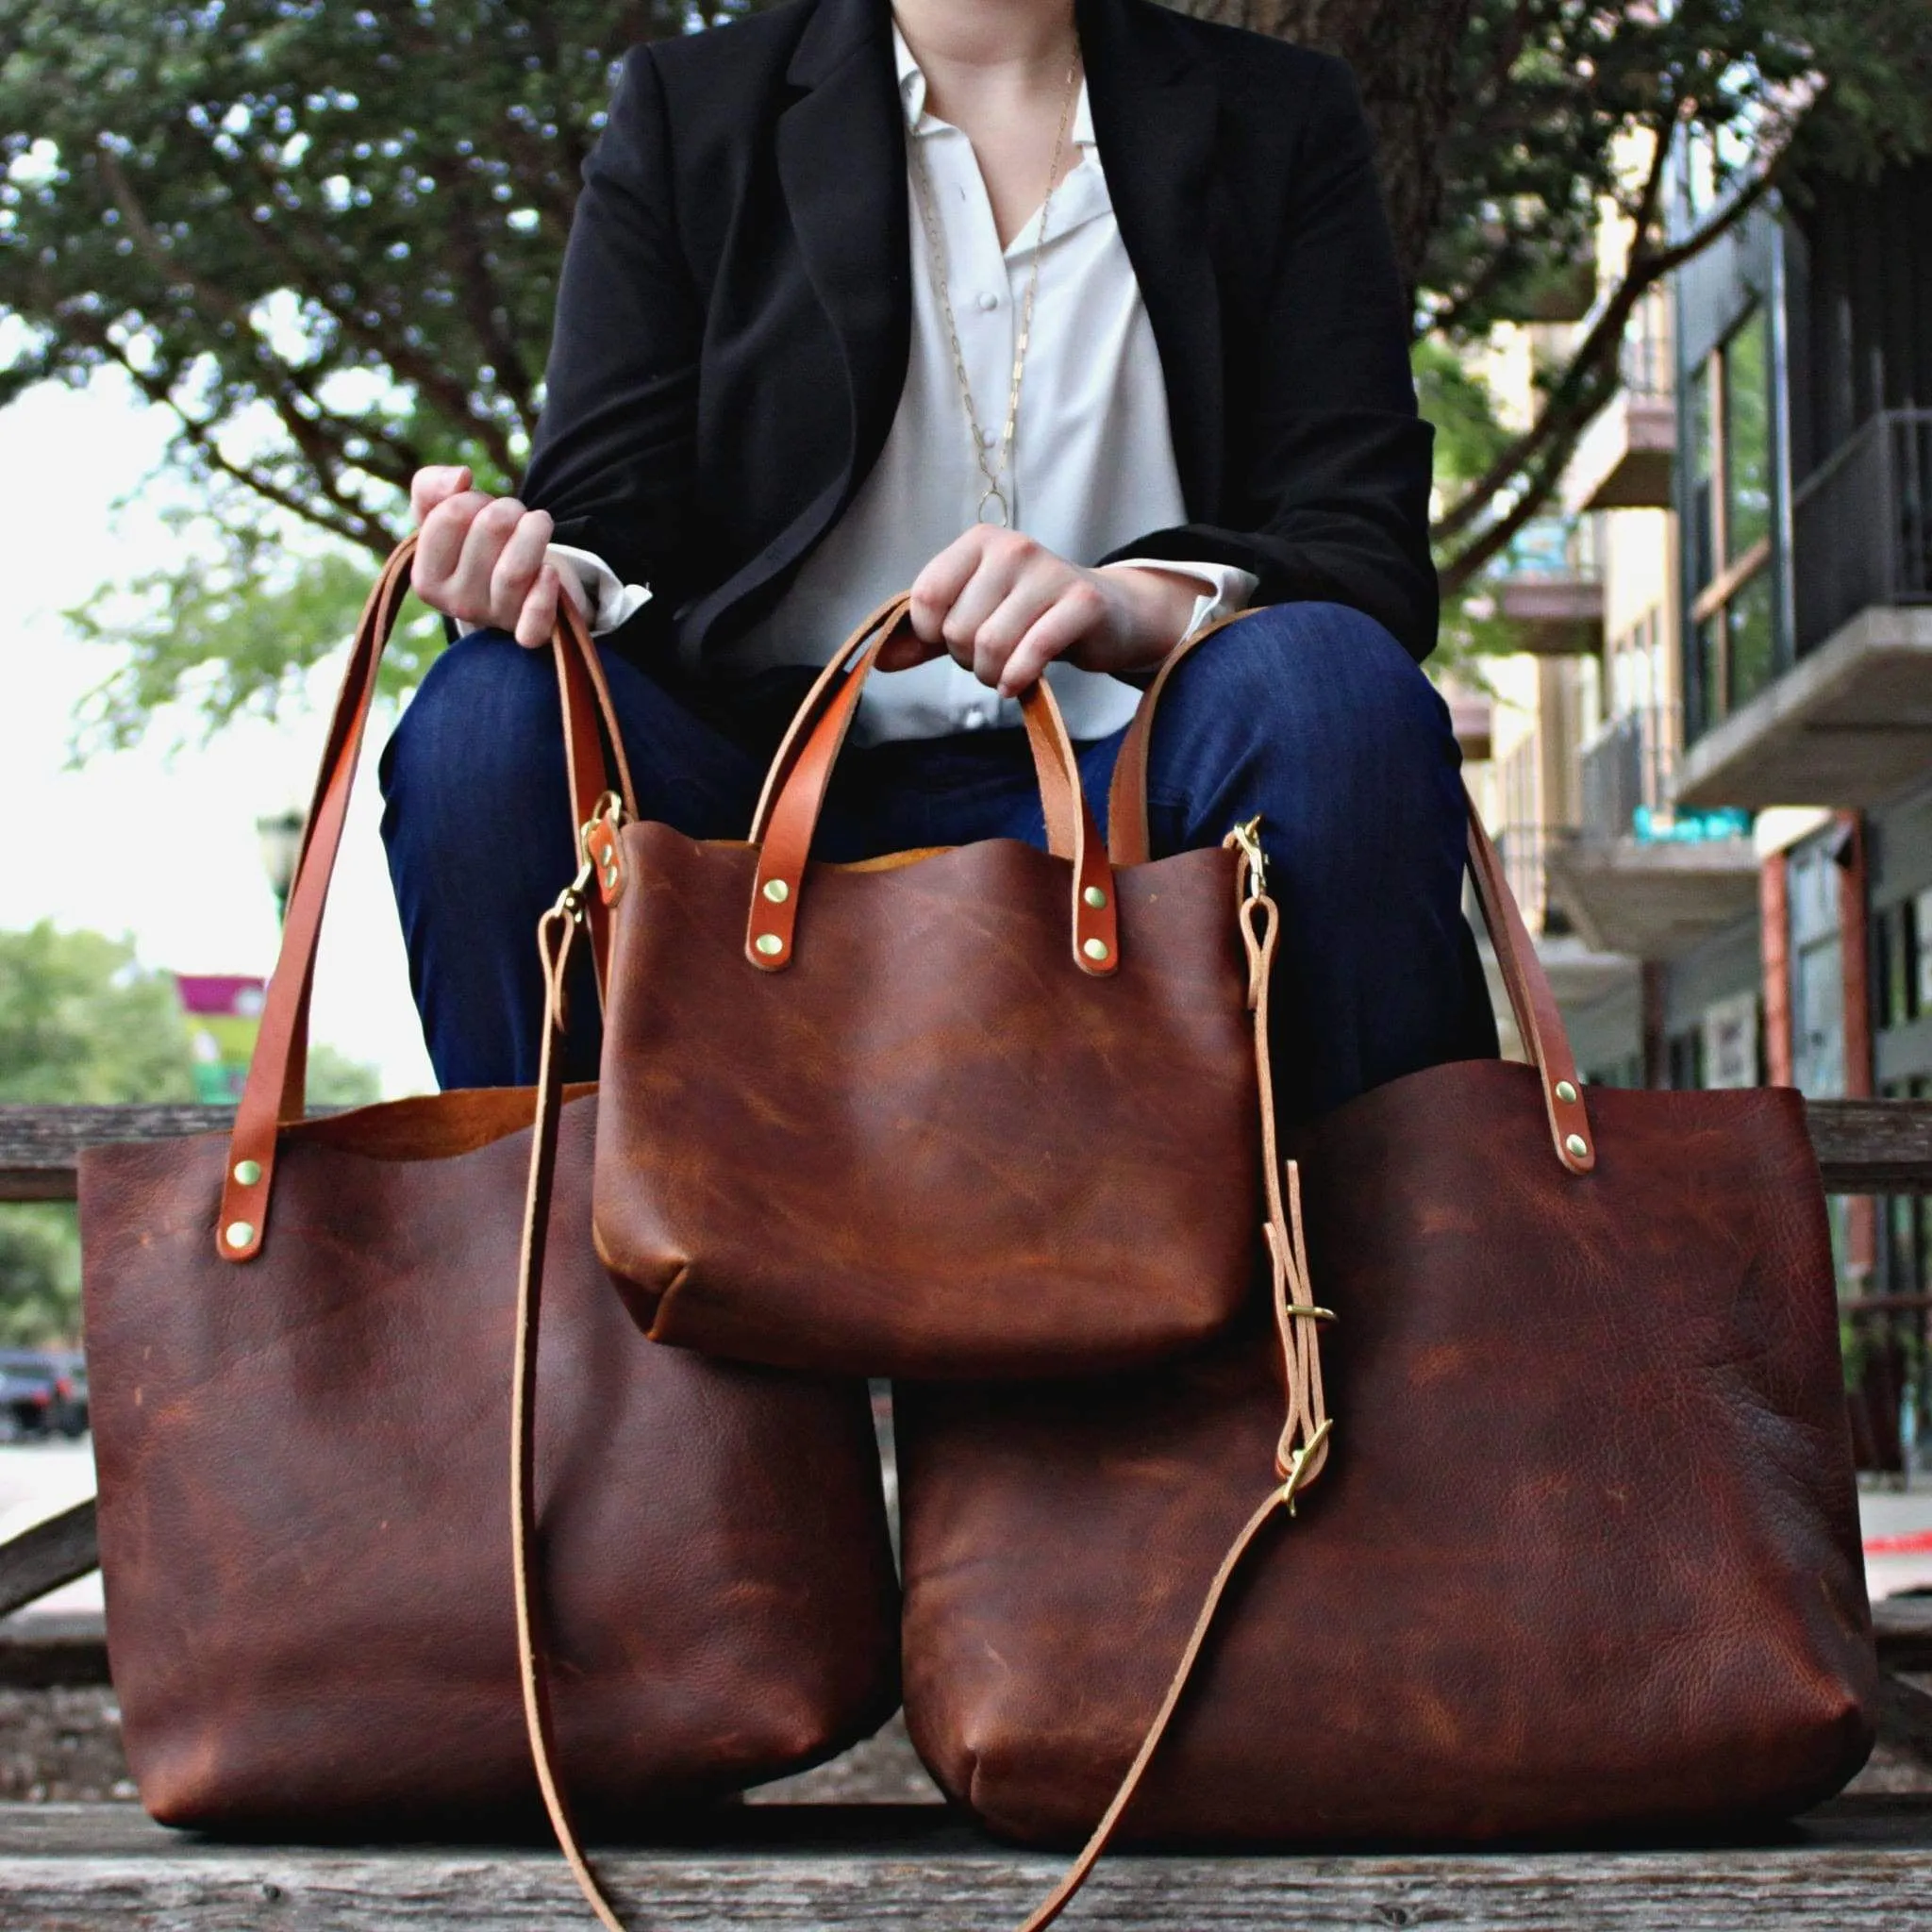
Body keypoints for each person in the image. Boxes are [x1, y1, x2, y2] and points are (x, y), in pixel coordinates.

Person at [381, 0, 1498, 1110]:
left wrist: (1130, 603)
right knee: (490, 714)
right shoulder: (693, 110)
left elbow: (1362, 547)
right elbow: (598, 514)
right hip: (752, 804)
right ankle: (538, 1265)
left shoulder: (1274, 114)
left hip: (1148, 794)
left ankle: (1378, 1259)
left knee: (1330, 694)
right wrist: (525, 570)